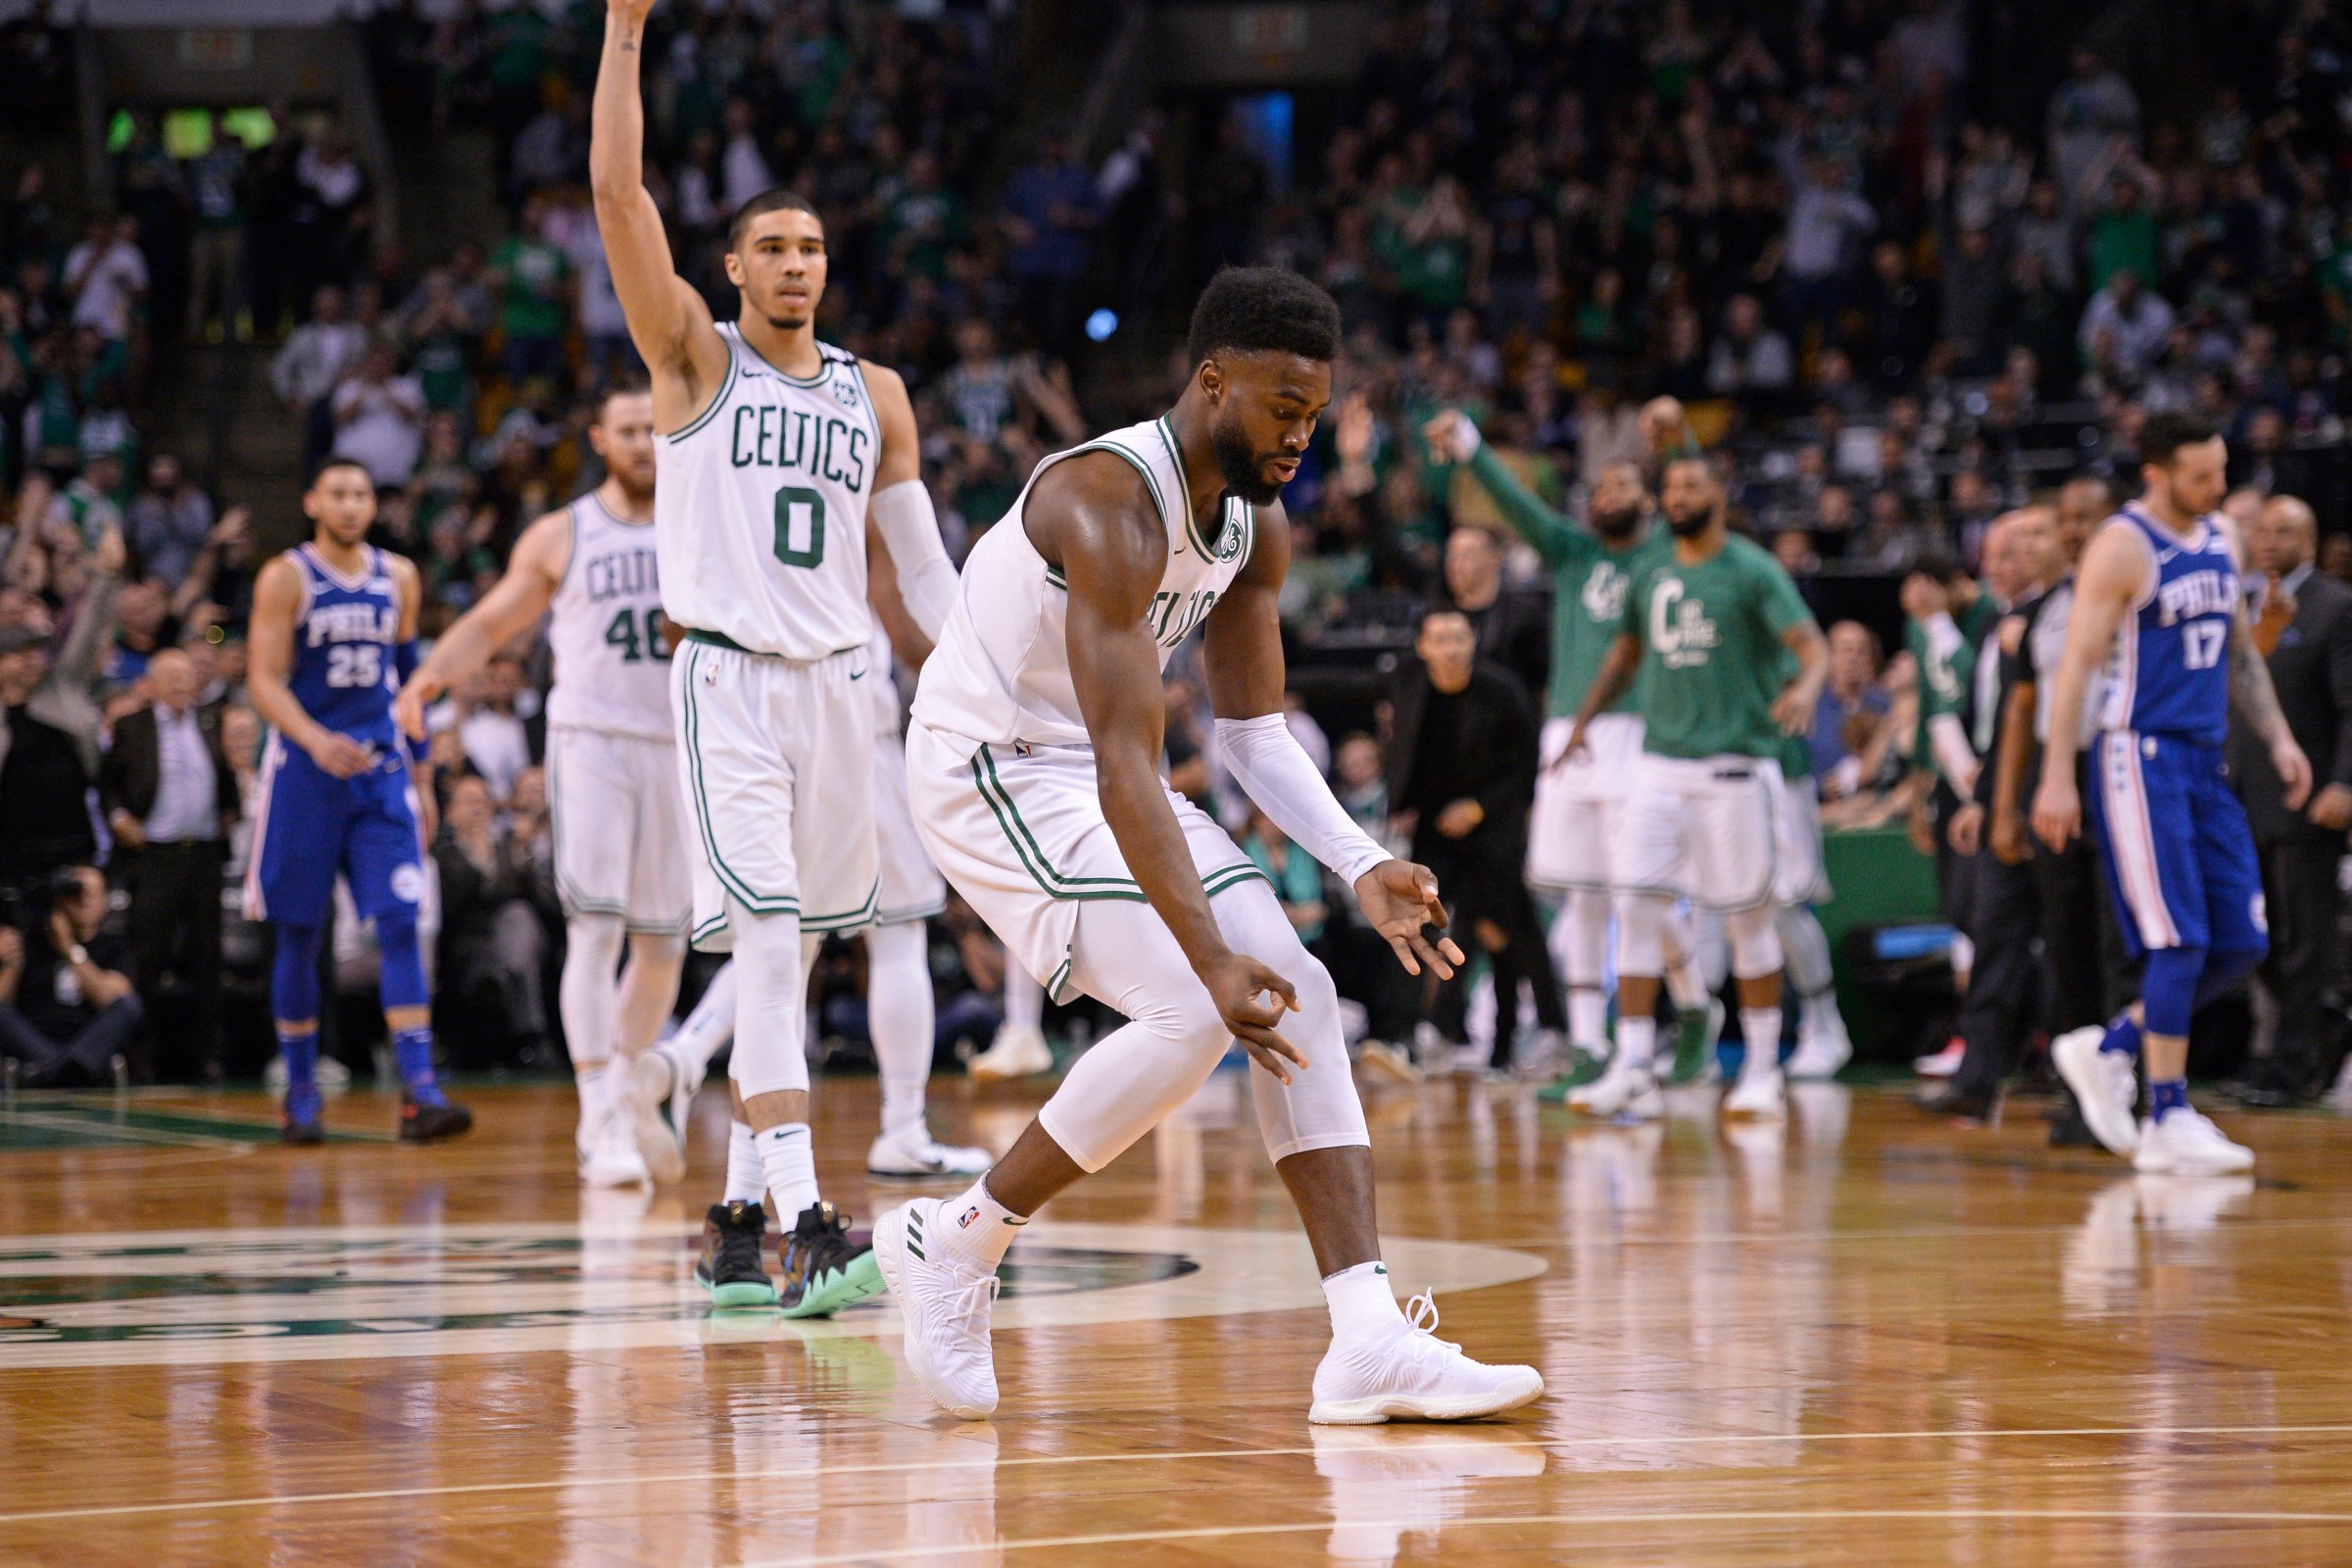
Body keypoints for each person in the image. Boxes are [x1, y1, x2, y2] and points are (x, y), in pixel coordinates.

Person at [882, 267, 1543, 1425]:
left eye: (1317, 414)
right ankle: (959, 1243)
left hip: (1089, 774)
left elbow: (1249, 732)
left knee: (1305, 993)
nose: (1303, 436)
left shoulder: (1255, 524)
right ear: (1211, 381)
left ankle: (1368, 1339)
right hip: (988, 766)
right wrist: (1210, 952)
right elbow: (1131, 760)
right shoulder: (1106, 504)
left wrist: (1359, 861)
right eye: (1284, 408)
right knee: (1196, 1010)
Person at [591, 0, 959, 1316]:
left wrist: (977, 669)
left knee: (801, 958)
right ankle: (809, 1215)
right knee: (762, 939)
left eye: (811, 247)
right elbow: (617, 189)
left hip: (842, 688)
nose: (797, 264)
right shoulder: (693, 363)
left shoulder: (878, 394)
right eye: (773, 248)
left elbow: (918, 571)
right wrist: (627, 32)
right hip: (729, 679)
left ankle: (740, 1218)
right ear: (733, 271)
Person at [397, 385, 687, 1188]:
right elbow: (494, 624)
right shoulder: (566, 532)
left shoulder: (700, 522)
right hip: (591, 741)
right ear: (599, 438)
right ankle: (597, 1110)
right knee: (597, 929)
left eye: (655, 430)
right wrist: (428, 674)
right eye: (629, 430)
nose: (643, 443)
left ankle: (626, 1085)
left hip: (677, 741)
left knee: (663, 943)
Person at [2034, 414, 2312, 1175]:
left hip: (2206, 756)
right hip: (2138, 756)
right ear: (2155, 472)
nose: (2217, 486)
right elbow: (2078, 670)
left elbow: (2237, 655)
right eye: (2199, 475)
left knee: (2242, 941)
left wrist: (2280, 737)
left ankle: (2112, 1046)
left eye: (2220, 470)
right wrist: (2058, 775)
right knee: (2178, 940)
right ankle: (2167, 1112)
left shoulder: (2222, 536)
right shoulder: (2122, 546)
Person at [1422, 418, 1721, 1094]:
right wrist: (1471, 443)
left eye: (1623, 484)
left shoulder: (1664, 555)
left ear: (1650, 502)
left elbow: (1696, 494)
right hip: (1567, 738)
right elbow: (1516, 503)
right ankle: (1587, 1045)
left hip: (1639, 733)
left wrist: (1680, 440)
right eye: (1599, 486)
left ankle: (1695, 1005)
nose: (1606, 494)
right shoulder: (1571, 551)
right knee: (1581, 899)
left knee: (1634, 894)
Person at [1560, 456, 1828, 1122]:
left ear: (1720, 493)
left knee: (1747, 917)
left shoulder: (1751, 568)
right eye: (1671, 487)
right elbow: (1624, 651)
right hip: (1658, 764)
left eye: (1691, 486)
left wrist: (1805, 687)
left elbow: (1811, 644)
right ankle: (1632, 1065)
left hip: (1735, 768)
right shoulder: (1651, 567)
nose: (1678, 496)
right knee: (1637, 908)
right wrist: (1582, 723)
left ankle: (1763, 1066)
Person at [243, 458, 471, 1145]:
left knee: (401, 922)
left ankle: (420, 1090)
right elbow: (262, 680)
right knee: (300, 933)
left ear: (374, 505)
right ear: (313, 501)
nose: (349, 505)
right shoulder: (286, 576)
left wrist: (425, 778)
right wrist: (314, 740)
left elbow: (410, 684)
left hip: (379, 774)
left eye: (361, 494)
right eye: (337, 493)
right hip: (306, 775)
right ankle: (302, 1094)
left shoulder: (398, 575)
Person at [1386, 603, 1561, 1075]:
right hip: (1435, 827)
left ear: (1473, 642)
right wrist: (1400, 803)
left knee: (1502, 929)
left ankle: (1526, 1033)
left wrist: (1478, 808)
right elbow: (1403, 746)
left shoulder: (1503, 690)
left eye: (1458, 637)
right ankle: (1441, 1036)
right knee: (1426, 920)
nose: (1449, 648)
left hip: (1494, 825)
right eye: (1439, 639)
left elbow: (1527, 766)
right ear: (1423, 647)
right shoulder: (1412, 685)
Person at [2225, 495, 2352, 1106]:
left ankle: (2295, 1066)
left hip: (2309, 799)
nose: (2270, 540)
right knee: (2258, 939)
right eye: (2263, 531)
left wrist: (2345, 784)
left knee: (2306, 939)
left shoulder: (2335, 605)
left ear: (2311, 537)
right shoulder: (2244, 605)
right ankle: (2305, 1040)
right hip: (2244, 799)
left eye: (2285, 531)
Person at [100, 644, 237, 1081]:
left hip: (202, 857)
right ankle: (141, 1057)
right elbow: (107, 786)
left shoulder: (211, 721)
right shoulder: (131, 726)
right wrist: (120, 818)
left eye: (186, 675)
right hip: (154, 857)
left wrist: (228, 815)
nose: (181, 683)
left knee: (207, 960)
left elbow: (227, 780)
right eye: (171, 676)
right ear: (152, 685)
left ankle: (207, 1056)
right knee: (148, 959)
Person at [0, 865, 138, 1087]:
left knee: (129, 1005)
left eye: (90, 893)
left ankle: (55, 1071)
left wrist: (70, 949)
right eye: (74, 892)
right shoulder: (33, 942)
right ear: (60, 898)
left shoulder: (113, 948)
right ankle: (62, 1070)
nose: (83, 900)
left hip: (86, 1044)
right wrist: (11, 963)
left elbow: (111, 999)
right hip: (34, 1045)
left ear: (104, 903)